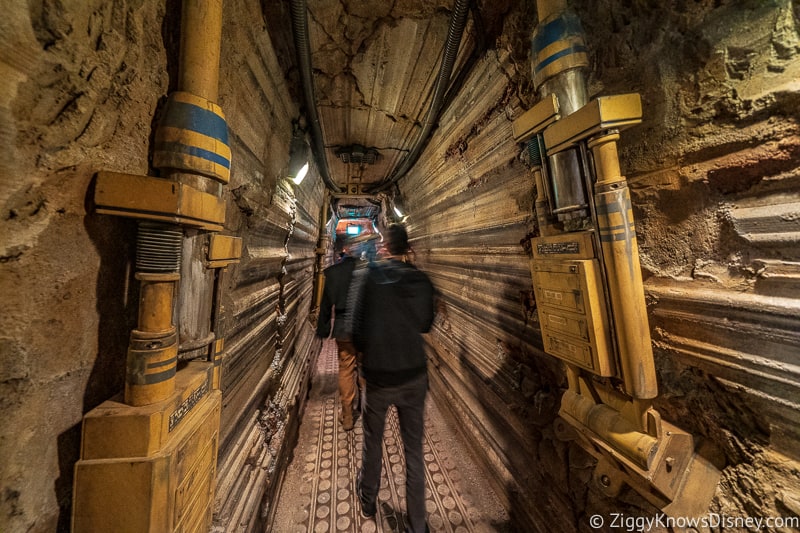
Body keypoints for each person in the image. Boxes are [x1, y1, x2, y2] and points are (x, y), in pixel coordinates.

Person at [352, 223, 435, 533]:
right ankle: (417, 524)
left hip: (379, 378)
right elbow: (425, 324)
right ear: (406, 247)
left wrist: (368, 351)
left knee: (373, 442)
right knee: (413, 450)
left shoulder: (368, 278)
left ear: (385, 247)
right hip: (414, 376)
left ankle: (368, 500)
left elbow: (357, 331)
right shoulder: (422, 280)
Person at [316, 239, 362, 431]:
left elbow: (326, 305)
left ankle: (348, 415)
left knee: (346, 369)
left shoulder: (333, 274)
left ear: (345, 250)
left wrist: (323, 329)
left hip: (343, 328)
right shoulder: (368, 272)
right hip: (365, 327)